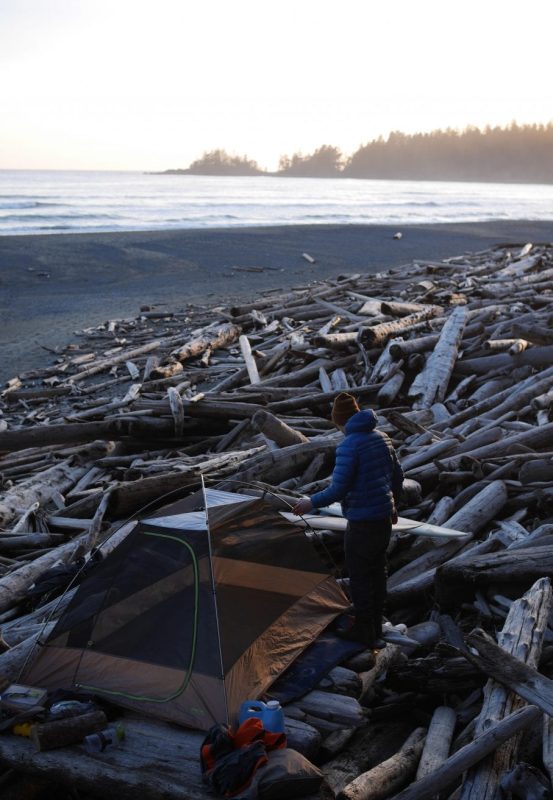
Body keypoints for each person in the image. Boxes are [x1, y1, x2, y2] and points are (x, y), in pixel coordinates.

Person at [292, 392, 403, 649]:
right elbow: (397, 476)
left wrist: (311, 503)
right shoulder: (383, 438)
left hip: (362, 522)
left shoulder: (349, 446)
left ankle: (365, 631)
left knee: (361, 576)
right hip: (383, 519)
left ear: (340, 421)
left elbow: (338, 489)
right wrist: (393, 505)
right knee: (378, 572)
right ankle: (375, 626)